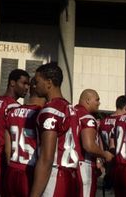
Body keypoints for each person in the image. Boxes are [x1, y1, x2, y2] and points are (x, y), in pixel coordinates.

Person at [30, 62, 79, 197]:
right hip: (71, 177)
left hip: (55, 177)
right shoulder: (70, 108)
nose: (34, 85)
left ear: (49, 83)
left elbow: (47, 158)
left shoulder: (50, 110)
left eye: (37, 81)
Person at [0, 69, 30, 197]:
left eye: (28, 84)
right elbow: (14, 141)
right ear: (12, 83)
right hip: (2, 163)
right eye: (24, 83)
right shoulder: (14, 107)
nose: (27, 87)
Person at [3, 77, 46, 197]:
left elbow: (7, 151)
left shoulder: (11, 111)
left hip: (12, 168)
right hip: (30, 171)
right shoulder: (42, 114)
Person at [76, 89, 113, 197]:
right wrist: (104, 154)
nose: (99, 103)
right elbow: (89, 145)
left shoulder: (71, 113)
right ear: (87, 100)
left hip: (69, 165)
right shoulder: (87, 118)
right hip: (84, 165)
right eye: (97, 100)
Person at [100, 94, 126, 192]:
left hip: (106, 162)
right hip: (119, 164)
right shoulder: (122, 122)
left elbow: (100, 141)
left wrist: (101, 158)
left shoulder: (103, 121)